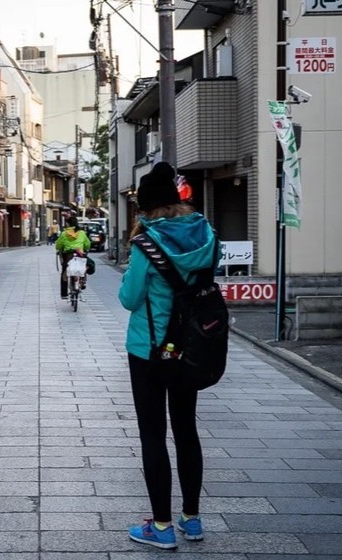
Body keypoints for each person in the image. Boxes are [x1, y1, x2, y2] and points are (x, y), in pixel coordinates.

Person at [118, 162, 218, 549]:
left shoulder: (147, 242)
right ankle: (191, 520)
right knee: (187, 429)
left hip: (150, 349)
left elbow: (129, 298)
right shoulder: (206, 235)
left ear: (147, 208)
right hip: (193, 346)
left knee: (153, 435)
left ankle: (160, 527)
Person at [55, 216, 91, 299]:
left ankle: (64, 294)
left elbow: (58, 245)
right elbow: (87, 244)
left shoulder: (64, 233)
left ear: (68, 223)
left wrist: (60, 248)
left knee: (65, 271)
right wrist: (84, 248)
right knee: (83, 266)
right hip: (79, 254)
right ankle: (83, 282)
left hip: (68, 255)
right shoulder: (82, 233)